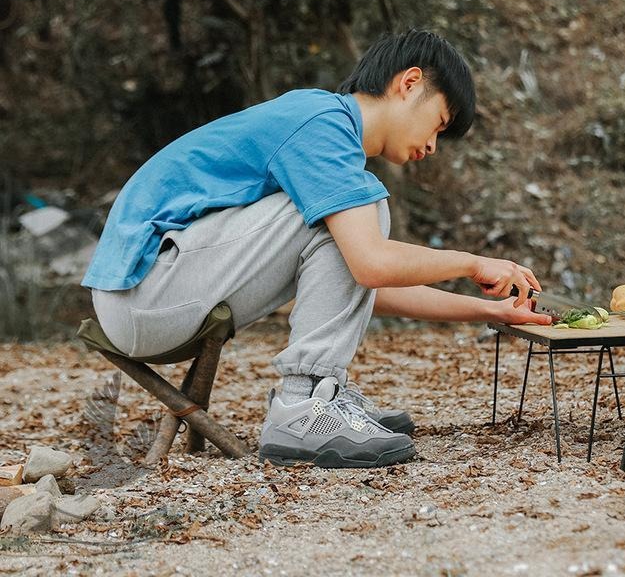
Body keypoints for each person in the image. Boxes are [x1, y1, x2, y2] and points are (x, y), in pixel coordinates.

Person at [82, 29, 545, 469]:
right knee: (360, 204)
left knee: (353, 213)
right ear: (409, 83)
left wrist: (492, 313)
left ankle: (322, 394)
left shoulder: (324, 133)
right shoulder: (322, 125)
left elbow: (358, 284)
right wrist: (471, 261)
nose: (432, 146)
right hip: (145, 292)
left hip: (149, 300)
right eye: (438, 125)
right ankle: (305, 402)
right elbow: (372, 264)